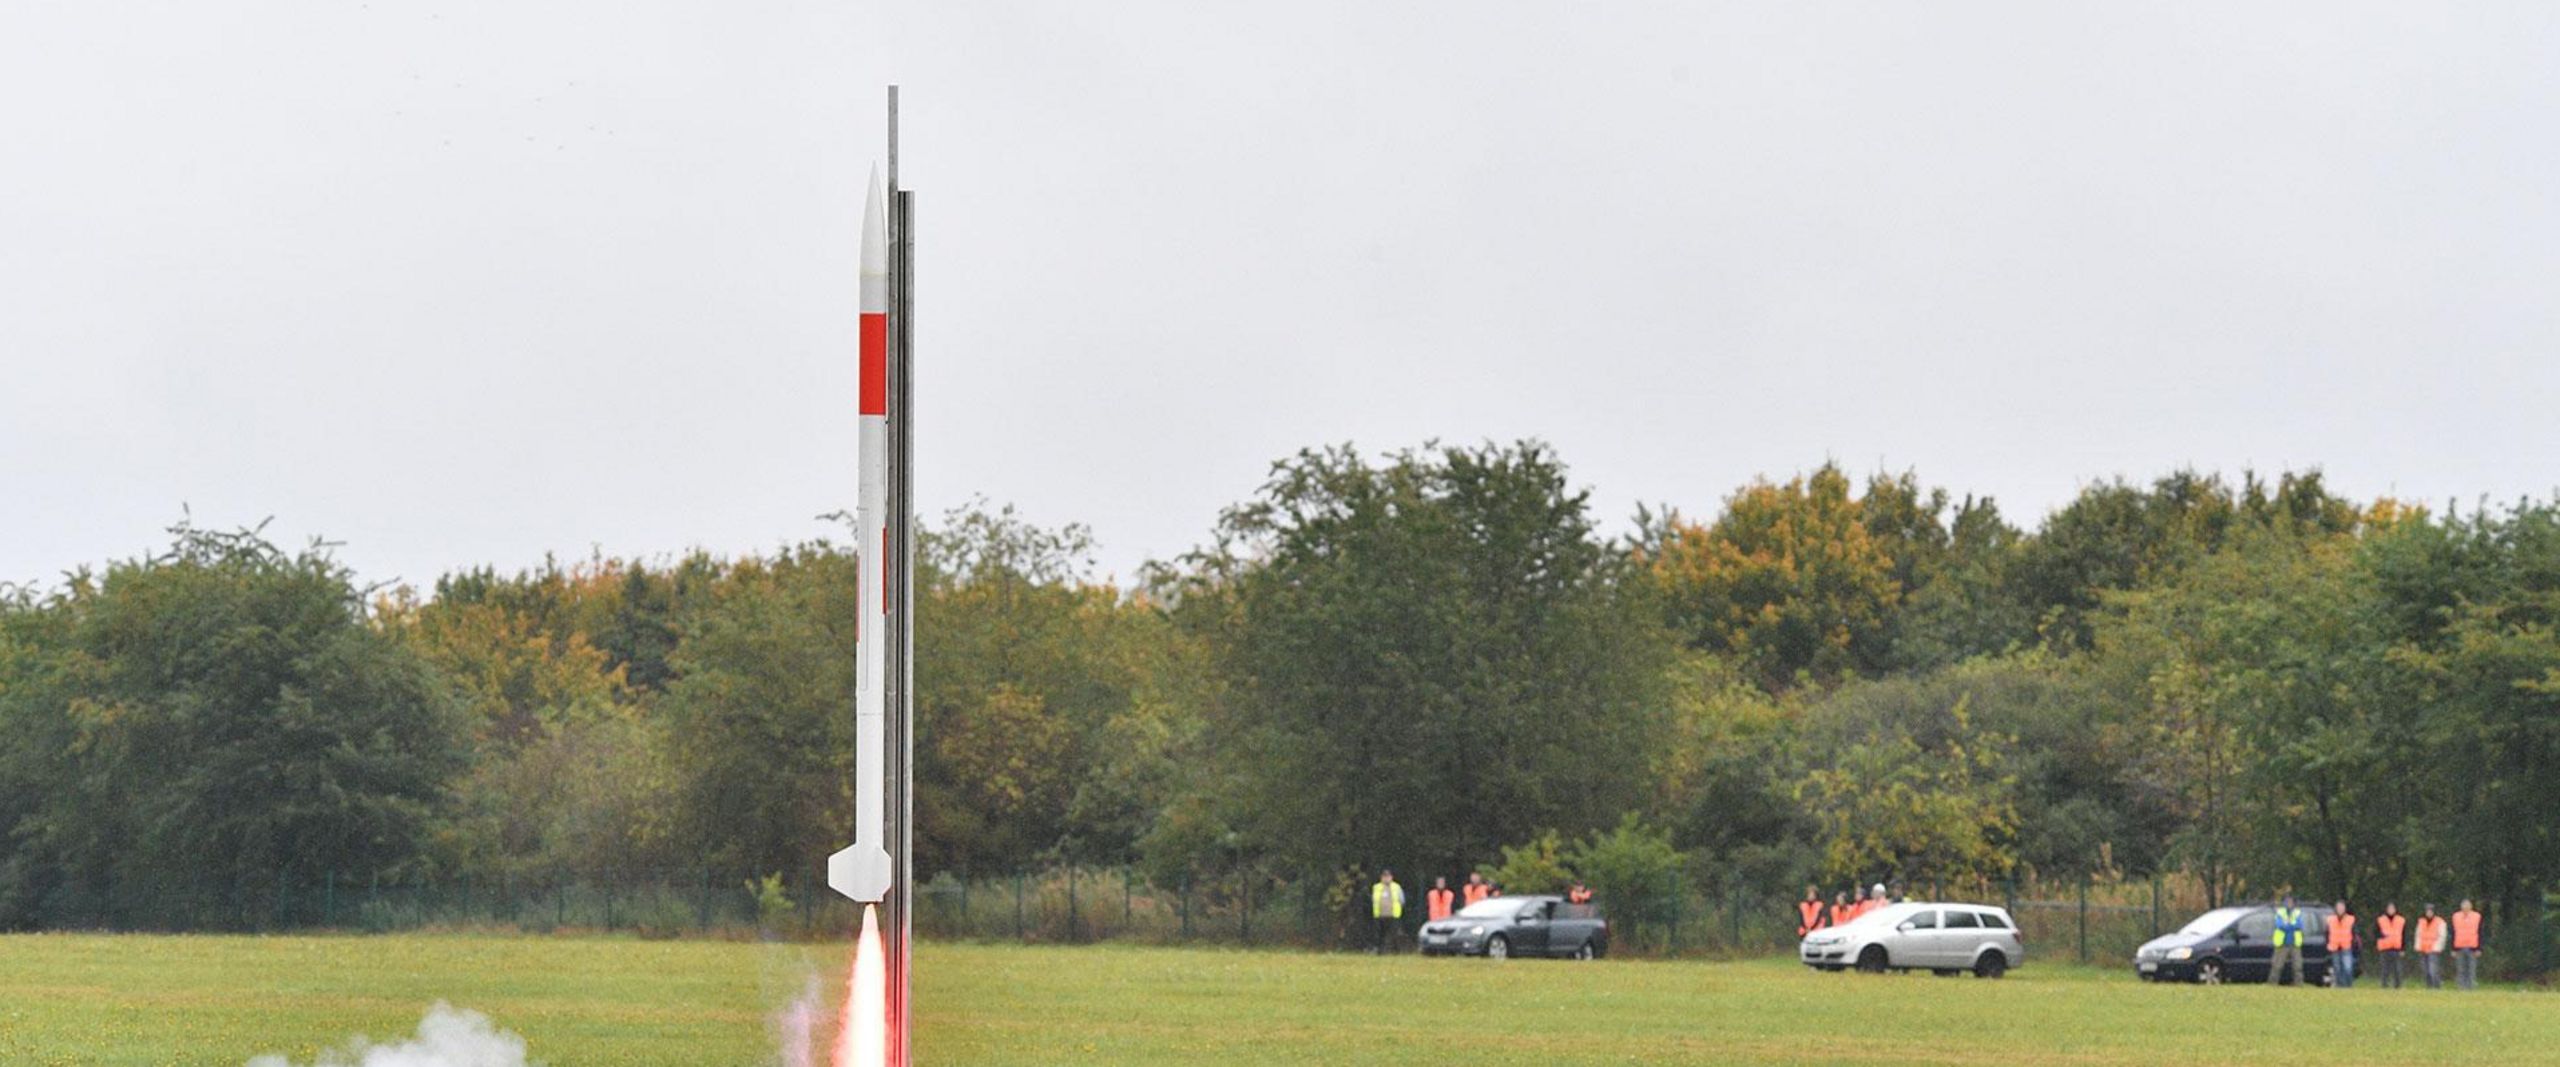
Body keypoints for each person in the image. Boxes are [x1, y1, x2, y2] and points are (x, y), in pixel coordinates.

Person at [2269, 895, 2309, 987]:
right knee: (2277, 965)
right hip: (2282, 943)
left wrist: (2287, 925)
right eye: (2287, 902)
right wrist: (2291, 926)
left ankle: (2299, 984)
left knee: (2297, 966)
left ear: (2294, 903)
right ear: (2284, 903)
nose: (2289, 904)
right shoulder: (2280, 912)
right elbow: (2280, 925)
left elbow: (2299, 925)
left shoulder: (2297, 913)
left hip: (2294, 943)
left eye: (2291, 902)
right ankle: (2272, 984)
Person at [1370, 869, 1405, 954]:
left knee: (1395, 934)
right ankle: (1379, 951)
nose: (1386, 878)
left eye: (1388, 876)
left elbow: (1402, 900)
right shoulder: (1376, 887)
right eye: (1384, 876)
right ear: (1381, 878)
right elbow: (1373, 900)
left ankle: (1396, 951)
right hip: (1380, 915)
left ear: (1391, 877)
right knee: (1379, 935)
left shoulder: (1396, 887)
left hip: (1393, 915)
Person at [2451, 899, 2483, 990]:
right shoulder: (2456, 916)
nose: (2465, 907)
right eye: (2464, 906)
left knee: (2471, 968)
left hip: (2473, 946)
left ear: (2471, 906)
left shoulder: (2477, 916)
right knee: (2460, 968)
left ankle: (2471, 986)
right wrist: (2453, 949)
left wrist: (2479, 948)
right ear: (2461, 907)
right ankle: (2461, 986)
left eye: (2467, 905)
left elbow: (2480, 933)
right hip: (2459, 946)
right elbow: (2453, 932)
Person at [2373, 903, 2406, 989]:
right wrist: (2382, 936)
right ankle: (2384, 985)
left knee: (2397, 969)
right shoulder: (2380, 920)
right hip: (2384, 948)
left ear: (2395, 909)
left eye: (2392, 908)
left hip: (2396, 948)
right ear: (2386, 910)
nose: (2391, 910)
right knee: (2385, 969)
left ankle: (2398, 985)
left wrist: (2403, 948)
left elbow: (2404, 935)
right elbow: (2375, 933)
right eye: (2389, 908)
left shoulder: (2401, 920)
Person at [2325, 900, 2357, 989]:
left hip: (2346, 947)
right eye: (2338, 907)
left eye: (2342, 907)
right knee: (2337, 969)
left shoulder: (2350, 919)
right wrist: (2328, 943)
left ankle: (2348, 986)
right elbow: (2327, 933)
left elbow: (2354, 933)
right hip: (2334, 947)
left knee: (2348, 969)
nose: (2340, 909)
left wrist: (2353, 943)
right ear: (2336, 908)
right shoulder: (2330, 919)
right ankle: (2340, 987)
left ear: (2345, 909)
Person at [2416, 904, 2447, 989]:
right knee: (2425, 970)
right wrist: (2418, 946)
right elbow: (2418, 934)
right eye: (2427, 911)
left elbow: (2442, 936)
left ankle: (2437, 986)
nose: (2429, 913)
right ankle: (2428, 986)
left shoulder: (2440, 921)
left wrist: (2437, 947)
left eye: (2430, 911)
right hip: (2423, 948)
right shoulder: (2421, 921)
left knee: (2433, 969)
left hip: (2434, 949)